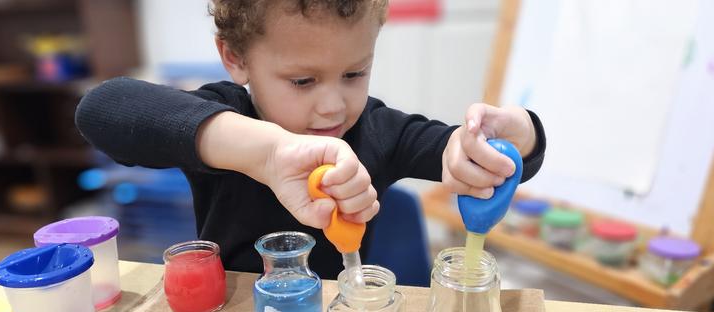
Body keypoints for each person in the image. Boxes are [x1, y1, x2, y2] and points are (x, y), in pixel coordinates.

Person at [75, 0, 546, 279]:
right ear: (235, 57)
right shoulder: (229, 116)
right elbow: (103, 109)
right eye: (302, 81)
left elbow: (454, 148)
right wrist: (265, 152)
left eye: (354, 73)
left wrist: (512, 141)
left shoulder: (378, 130)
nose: (333, 106)